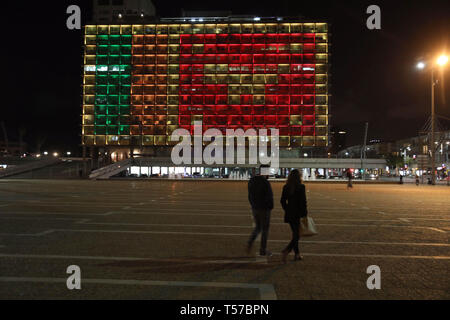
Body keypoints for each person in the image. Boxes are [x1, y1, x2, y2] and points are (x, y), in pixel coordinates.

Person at [280, 169, 308, 263]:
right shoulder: (301, 187)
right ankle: (287, 250)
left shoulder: (286, 187)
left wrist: (287, 209)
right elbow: (303, 202)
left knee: (295, 234)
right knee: (297, 235)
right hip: (298, 213)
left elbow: (282, 201)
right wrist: (304, 214)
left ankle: (297, 254)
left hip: (290, 213)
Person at [247, 165, 273, 257]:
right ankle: (263, 250)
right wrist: (270, 207)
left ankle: (250, 241)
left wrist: (253, 205)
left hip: (255, 208)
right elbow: (269, 197)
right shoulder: (265, 182)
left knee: (258, 227)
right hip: (264, 209)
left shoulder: (252, 180)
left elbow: (249, 196)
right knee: (265, 230)